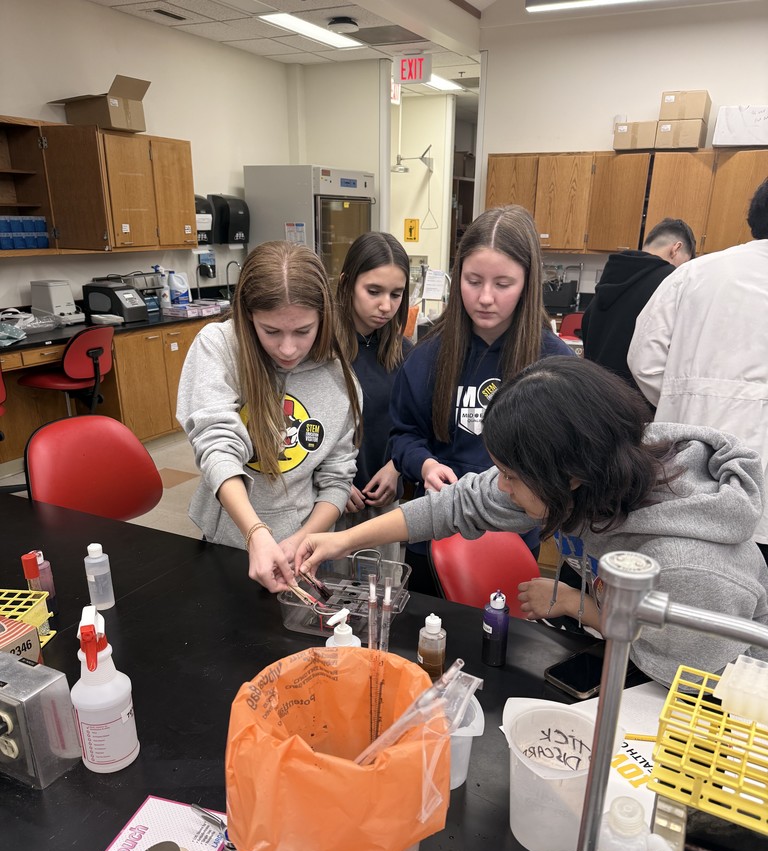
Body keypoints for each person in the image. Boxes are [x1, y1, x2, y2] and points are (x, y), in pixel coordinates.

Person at [295, 357, 768, 687]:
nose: (500, 487)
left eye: (511, 476)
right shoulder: (585, 473)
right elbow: (455, 505)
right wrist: (342, 541)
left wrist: (576, 604)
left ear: (571, 475)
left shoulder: (687, 565)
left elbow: (683, 685)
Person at [388, 204, 573, 593]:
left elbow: (568, 459)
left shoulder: (553, 363)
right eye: (473, 281)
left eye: (503, 284)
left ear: (527, 282)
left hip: (512, 541)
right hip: (433, 538)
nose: (485, 298)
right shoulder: (428, 355)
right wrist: (424, 465)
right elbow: (403, 436)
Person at [177, 239, 362, 589]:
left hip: (302, 547)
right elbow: (217, 447)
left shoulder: (340, 380)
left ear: (323, 318)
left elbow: (337, 480)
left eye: (303, 331)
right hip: (226, 542)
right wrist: (255, 533)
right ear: (249, 315)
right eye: (271, 331)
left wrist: (303, 539)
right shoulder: (219, 346)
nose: (288, 348)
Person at [628, 178, 768, 563]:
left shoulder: (694, 273)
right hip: (758, 505)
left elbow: (644, 359)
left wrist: (684, 402)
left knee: (675, 581)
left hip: (684, 477)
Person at [336, 231, 412, 562]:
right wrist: (332, 484)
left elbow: (416, 426)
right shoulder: (318, 350)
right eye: (373, 291)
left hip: (381, 506)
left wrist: (396, 468)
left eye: (396, 294)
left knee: (382, 588)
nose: (386, 306)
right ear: (346, 284)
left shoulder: (405, 354)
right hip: (325, 505)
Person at [582, 217, 695, 394]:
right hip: (635, 400)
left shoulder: (613, 273)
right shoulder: (671, 282)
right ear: (676, 249)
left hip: (595, 395)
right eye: (685, 262)